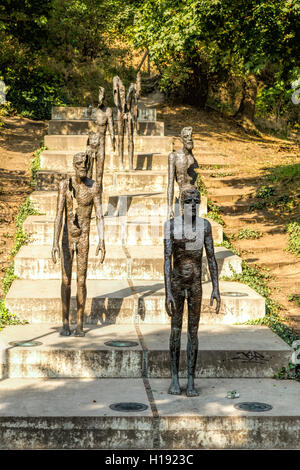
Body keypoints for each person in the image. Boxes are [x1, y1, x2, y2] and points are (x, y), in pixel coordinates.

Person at [164, 187, 220, 396]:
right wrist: (168, 291)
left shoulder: (204, 226)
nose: (193, 206)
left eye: (196, 202)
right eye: (189, 202)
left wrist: (215, 287)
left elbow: (211, 257)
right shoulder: (170, 226)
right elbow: (166, 261)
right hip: (177, 283)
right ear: (181, 204)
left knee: (193, 332)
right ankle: (175, 378)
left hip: (196, 284)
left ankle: (191, 380)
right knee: (176, 330)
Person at [52, 152, 105, 337]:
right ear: (74, 165)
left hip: (83, 236)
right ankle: (65, 322)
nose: (83, 165)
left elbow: (99, 214)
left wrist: (102, 239)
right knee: (66, 280)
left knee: (81, 281)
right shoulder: (64, 186)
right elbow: (59, 215)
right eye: (79, 163)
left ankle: (80, 323)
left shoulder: (93, 187)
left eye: (85, 163)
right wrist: (55, 242)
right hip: (67, 237)